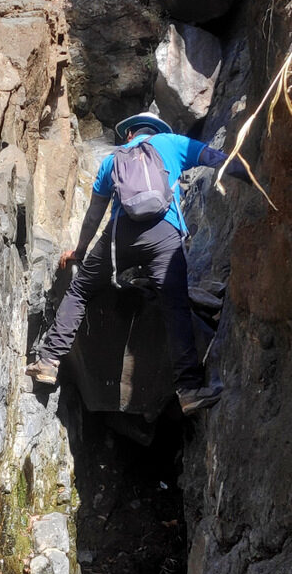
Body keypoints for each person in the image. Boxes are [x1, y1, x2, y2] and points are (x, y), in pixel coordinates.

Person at [25, 112, 248, 415]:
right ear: (157, 131)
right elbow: (215, 157)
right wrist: (252, 175)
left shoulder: (113, 160)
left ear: (130, 134)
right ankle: (189, 391)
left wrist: (80, 250)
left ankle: (48, 362)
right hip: (164, 235)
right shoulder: (172, 143)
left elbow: (93, 214)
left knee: (79, 291)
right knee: (176, 308)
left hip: (121, 236)